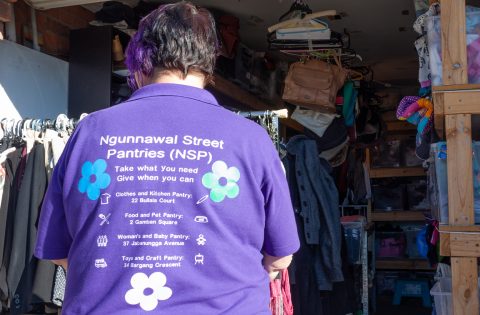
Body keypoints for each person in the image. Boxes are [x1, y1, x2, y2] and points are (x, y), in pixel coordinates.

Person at [34, 3, 299, 314]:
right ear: (210, 60)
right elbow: (280, 257)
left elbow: (57, 250)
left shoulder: (90, 132)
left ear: (141, 57)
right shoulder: (251, 139)